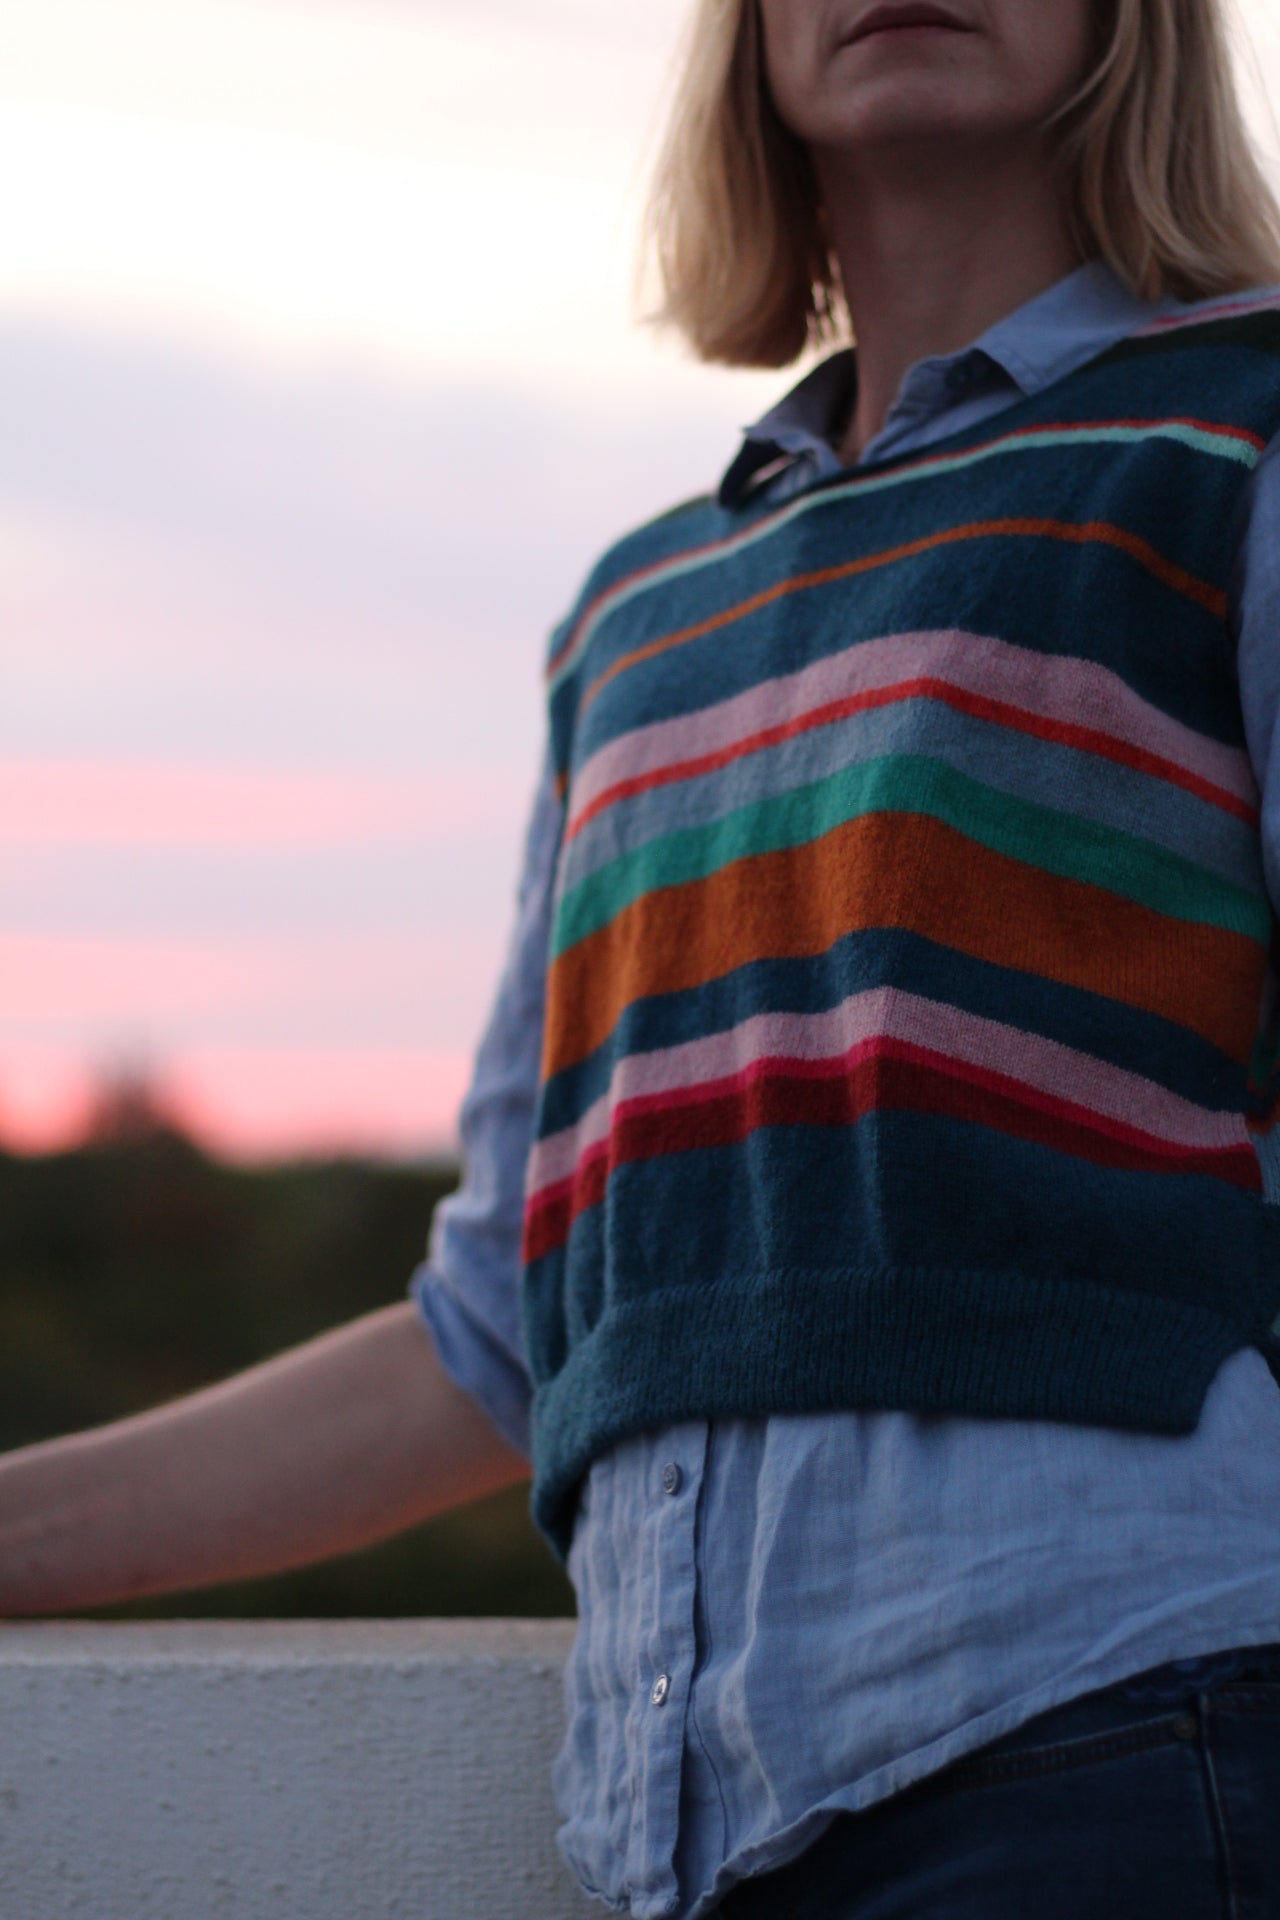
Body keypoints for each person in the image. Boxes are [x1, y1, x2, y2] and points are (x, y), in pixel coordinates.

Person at [5, 0, 1280, 1912]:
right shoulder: (636, 614)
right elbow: (508, 1334)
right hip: (680, 1840)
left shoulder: (1238, 439)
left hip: (1127, 1740)